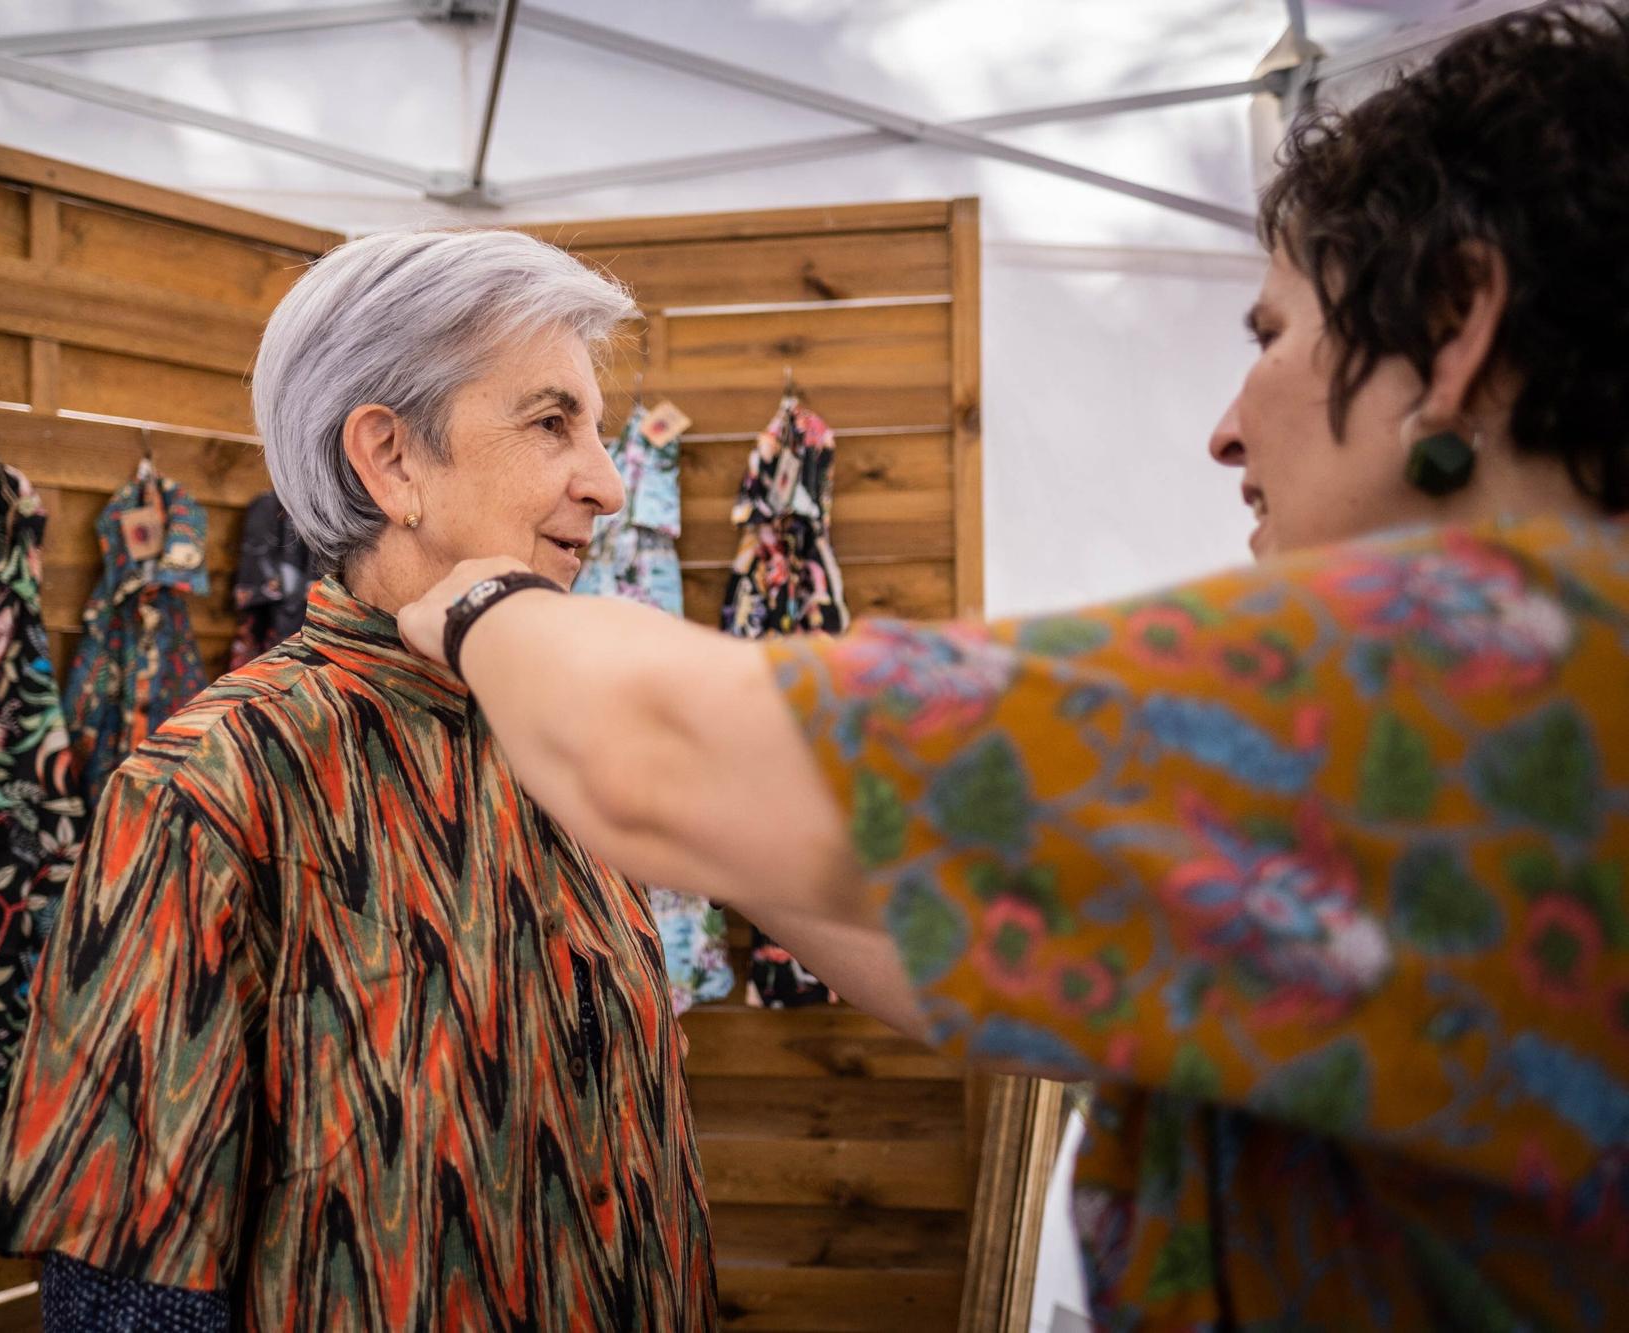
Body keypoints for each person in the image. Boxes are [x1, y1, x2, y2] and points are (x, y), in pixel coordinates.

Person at [395, 7, 1629, 1328]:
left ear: (1451, 324)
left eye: (1270, 335)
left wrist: (475, 601)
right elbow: (960, 963)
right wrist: (697, 839)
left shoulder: (1441, 700)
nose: (1225, 429)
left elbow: (656, 751)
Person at [0, 229, 717, 1330]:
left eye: (595, 429)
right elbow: (125, 1294)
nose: (605, 483)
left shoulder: (562, 737)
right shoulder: (212, 787)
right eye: (551, 420)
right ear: (390, 460)